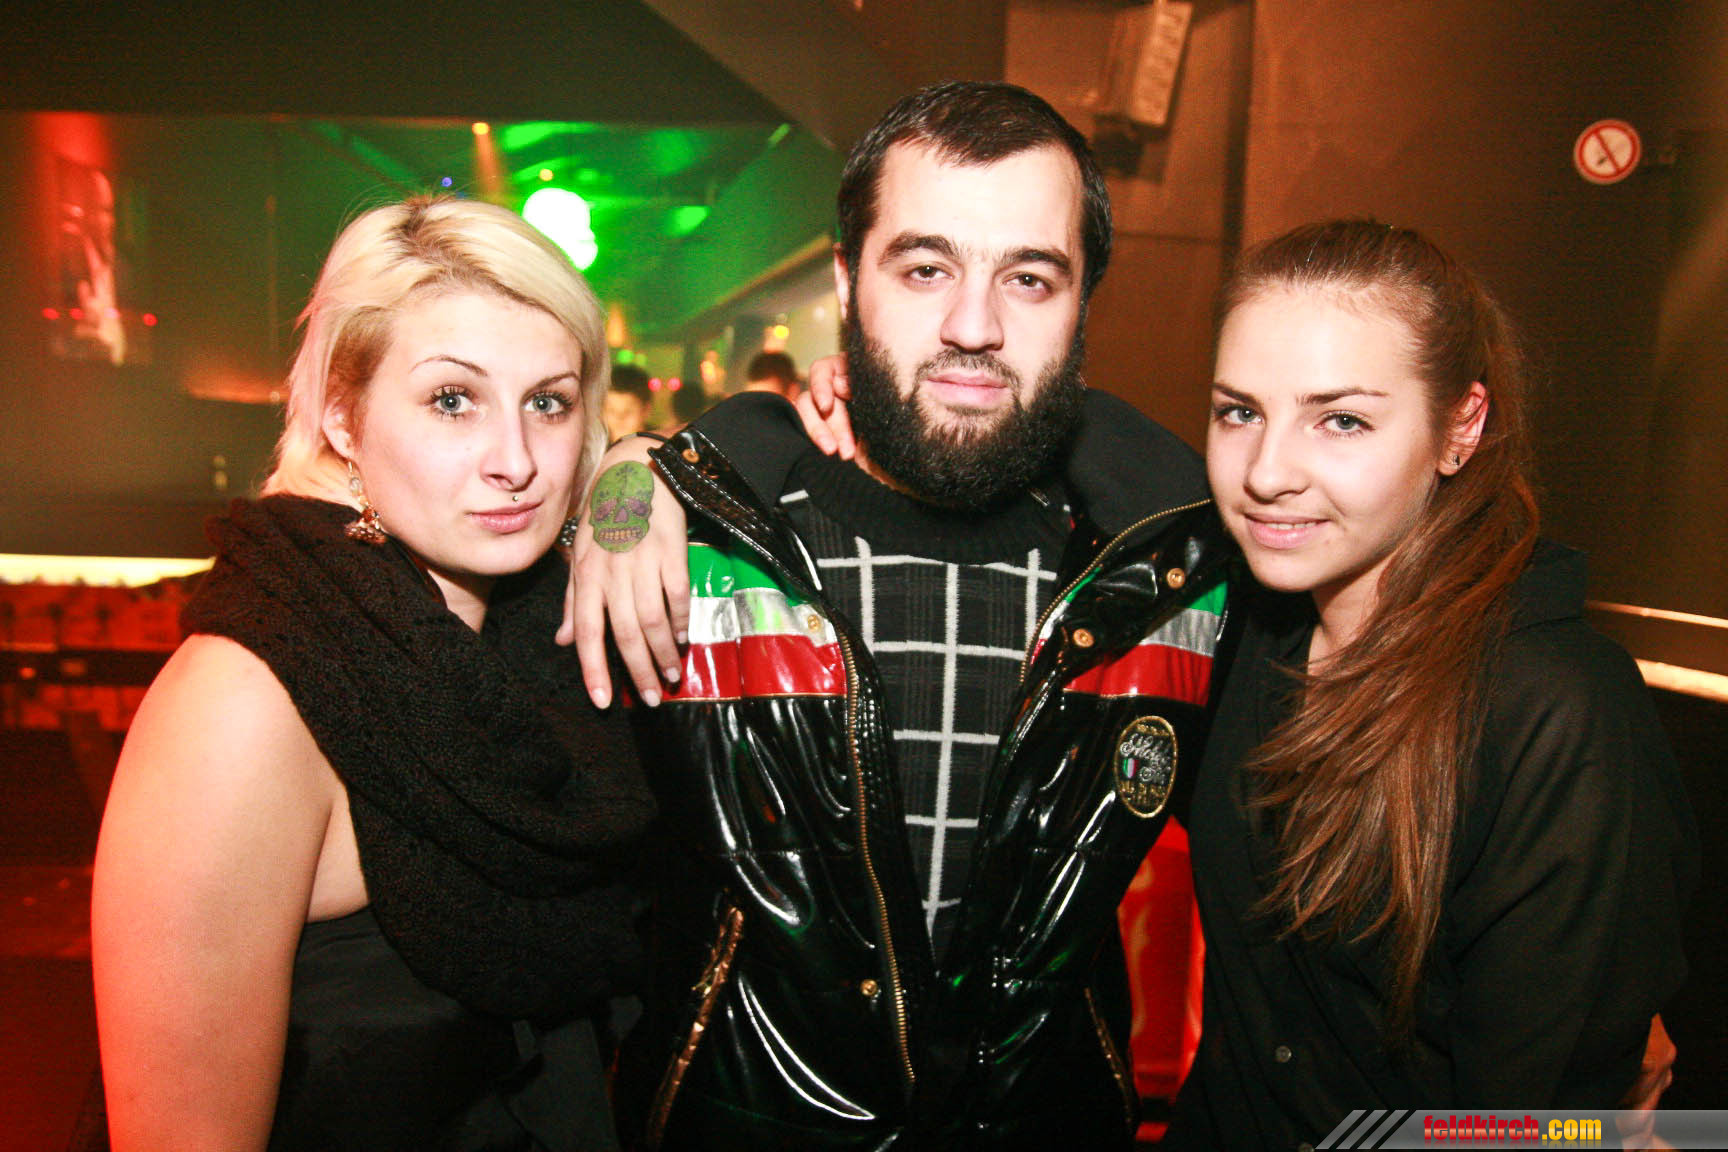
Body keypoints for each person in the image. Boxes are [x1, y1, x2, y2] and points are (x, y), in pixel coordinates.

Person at [566, 81, 1233, 1150]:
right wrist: (631, 470)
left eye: (1029, 278)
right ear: (847, 281)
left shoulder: (1159, 584)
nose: (974, 327)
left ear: (1084, 302)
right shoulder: (705, 550)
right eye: (926, 269)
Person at [91, 195, 655, 1151]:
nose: (515, 460)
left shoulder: (541, 645)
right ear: (343, 417)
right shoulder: (249, 700)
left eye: (548, 402)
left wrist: (642, 472)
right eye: (452, 400)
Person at [1165, 219, 1696, 1147]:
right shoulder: (1239, 627)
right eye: (1239, 412)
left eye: (1341, 420)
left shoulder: (1555, 711)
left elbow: (1529, 1122)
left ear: (1462, 428)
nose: (1266, 472)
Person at [604, 363, 655, 443]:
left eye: (628, 411)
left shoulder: (660, 446)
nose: (619, 418)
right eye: (612, 410)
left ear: (646, 410)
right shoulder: (594, 447)